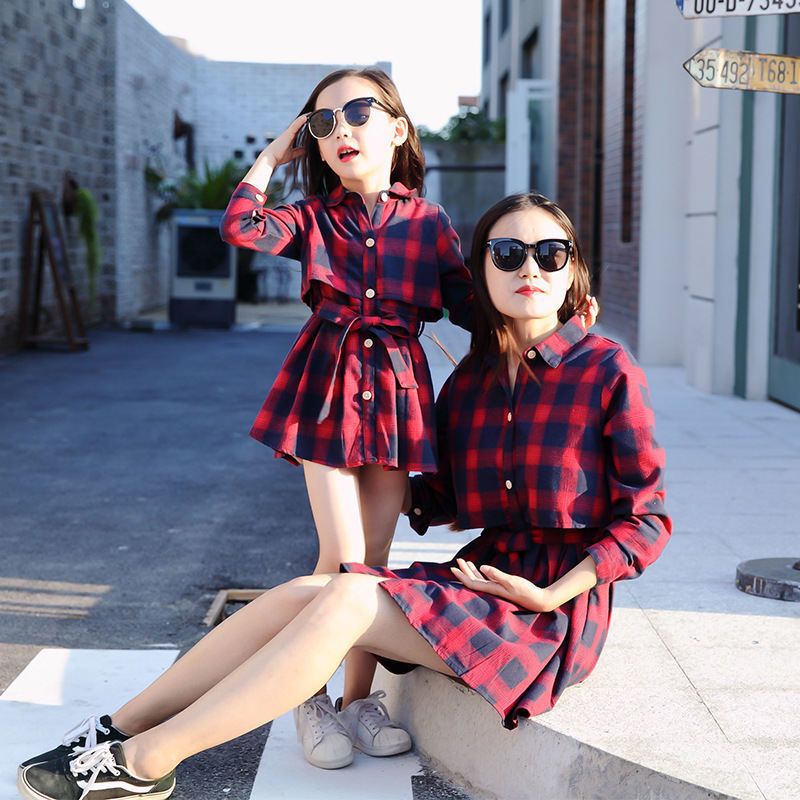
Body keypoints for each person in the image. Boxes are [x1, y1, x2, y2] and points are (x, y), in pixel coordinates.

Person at [17, 192, 670, 800]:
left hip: (550, 615)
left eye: (550, 253)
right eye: (508, 253)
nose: (530, 267)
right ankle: (117, 727)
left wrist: (552, 593)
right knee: (309, 591)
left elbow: (647, 519)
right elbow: (436, 497)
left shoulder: (606, 369)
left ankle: (147, 762)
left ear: (573, 270)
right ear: (483, 275)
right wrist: (343, 458)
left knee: (348, 595)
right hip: (483, 581)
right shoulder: (470, 381)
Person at [217, 67, 476, 768]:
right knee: (341, 560)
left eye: (357, 113)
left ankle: (358, 702)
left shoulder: (429, 223)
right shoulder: (314, 218)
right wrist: (275, 156)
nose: (340, 131)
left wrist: (558, 318)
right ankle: (308, 700)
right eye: (323, 123)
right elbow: (241, 225)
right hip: (326, 388)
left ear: (397, 128)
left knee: (376, 568)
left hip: (395, 391)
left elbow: (470, 306)